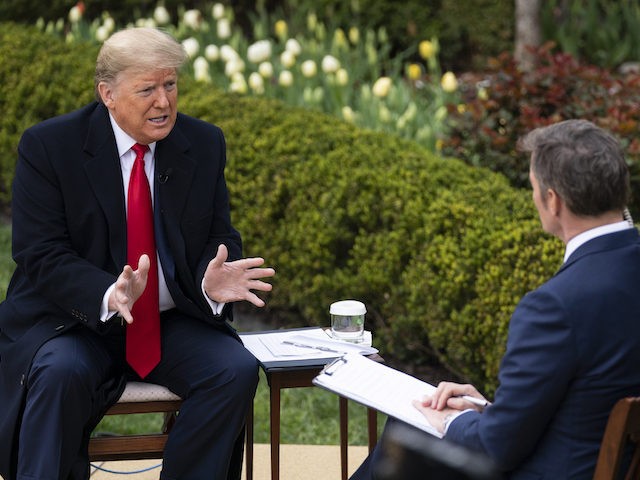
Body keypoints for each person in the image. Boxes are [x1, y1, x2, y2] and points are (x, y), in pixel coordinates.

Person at [0, 27, 275, 480]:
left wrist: (209, 280)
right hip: (77, 322)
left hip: (167, 321)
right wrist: (108, 292)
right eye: (147, 89)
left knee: (234, 369)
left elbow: (218, 234)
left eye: (170, 85)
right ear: (107, 94)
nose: (164, 102)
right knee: (58, 374)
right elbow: (39, 252)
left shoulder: (203, 144)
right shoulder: (50, 147)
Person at [351, 119, 640, 479]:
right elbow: (588, 398)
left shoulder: (554, 307)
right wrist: (488, 409)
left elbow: (495, 449)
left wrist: (455, 420)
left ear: (553, 201)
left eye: (533, 187)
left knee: (408, 429)